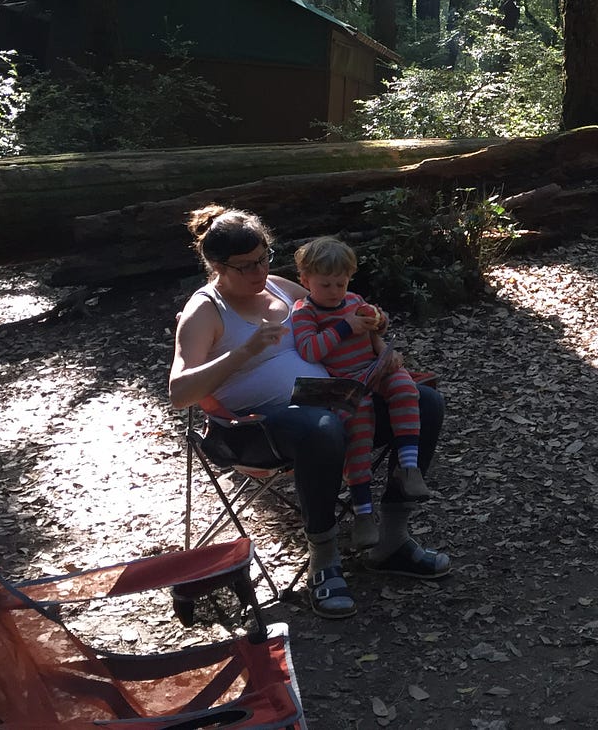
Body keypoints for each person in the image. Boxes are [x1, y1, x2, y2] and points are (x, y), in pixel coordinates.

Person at [169, 204, 450, 620]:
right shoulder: (205, 311)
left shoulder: (281, 287)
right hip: (254, 429)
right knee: (318, 426)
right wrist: (245, 351)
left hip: (335, 403)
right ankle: (324, 559)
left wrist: (376, 334)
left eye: (264, 258)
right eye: (245, 266)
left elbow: (344, 309)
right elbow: (179, 392)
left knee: (426, 401)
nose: (258, 272)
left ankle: (390, 540)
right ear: (215, 265)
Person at [290, 236, 431, 551]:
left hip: (374, 371)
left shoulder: (353, 301)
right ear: (305, 280)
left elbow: (375, 326)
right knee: (359, 430)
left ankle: (408, 468)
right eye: (325, 285)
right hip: (344, 386)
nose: (335, 292)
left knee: (407, 387)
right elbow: (310, 350)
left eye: (341, 284)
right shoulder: (304, 312)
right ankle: (363, 514)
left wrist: (378, 324)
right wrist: (344, 328)